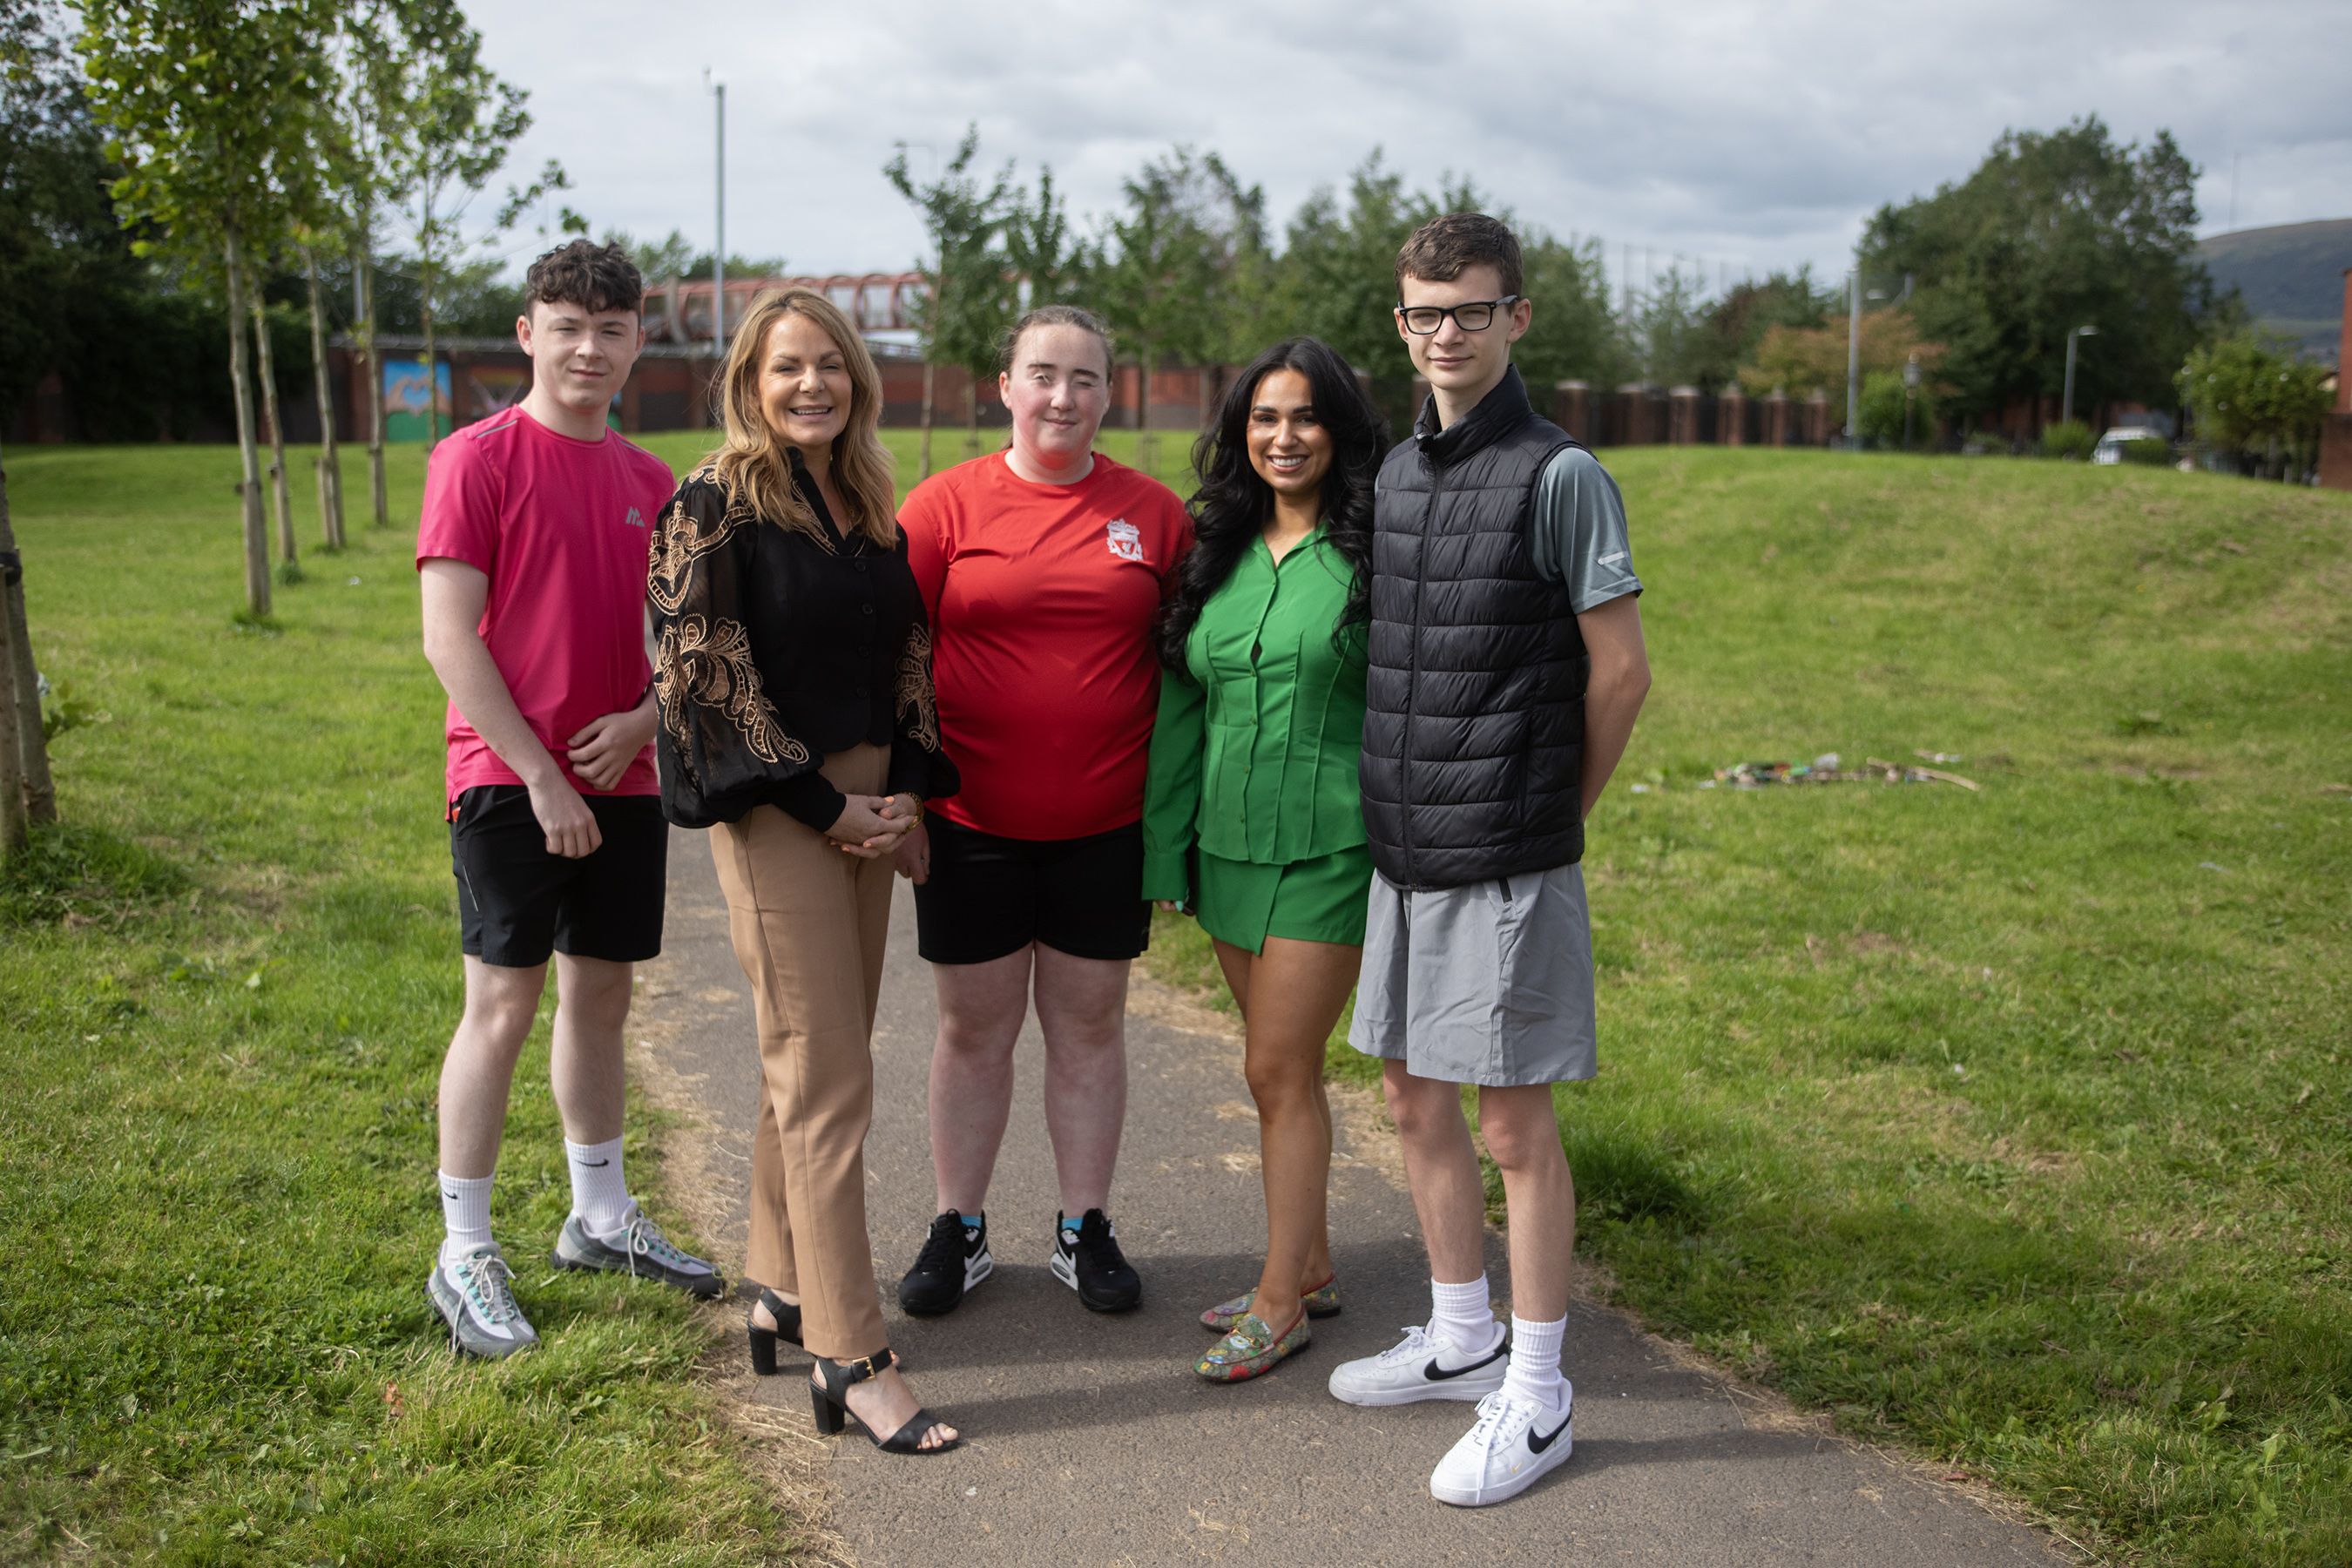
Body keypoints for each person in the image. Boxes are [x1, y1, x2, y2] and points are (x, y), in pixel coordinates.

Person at [1325, 213, 1651, 1507]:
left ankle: (1541, 1393)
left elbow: (1621, 674)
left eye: (1469, 310)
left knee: (1514, 1125)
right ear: (1400, 326)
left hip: (1506, 852)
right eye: (1422, 313)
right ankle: (1464, 1340)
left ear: (1517, 317)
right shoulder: (1399, 472)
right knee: (1413, 1101)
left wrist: (1546, 812)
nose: (1445, 334)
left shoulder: (1561, 472)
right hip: (1405, 848)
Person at [647, 287, 963, 1455]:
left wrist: (908, 800)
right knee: (827, 1077)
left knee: (817, 1059)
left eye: (831, 365)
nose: (811, 385)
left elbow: (908, 652)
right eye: (788, 367)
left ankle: (780, 1283)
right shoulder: (711, 507)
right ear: (749, 379)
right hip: (784, 810)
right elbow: (705, 685)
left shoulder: (863, 498)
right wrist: (830, 807)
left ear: (859, 381)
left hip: (873, 810)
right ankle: (851, 1351)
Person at [417, 240, 720, 1361]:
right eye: (568, 325)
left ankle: (598, 1216)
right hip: (509, 778)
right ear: (528, 333)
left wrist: (646, 720)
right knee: (501, 1003)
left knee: (603, 999)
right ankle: (465, 1250)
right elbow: (449, 637)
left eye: (611, 328)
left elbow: (682, 645)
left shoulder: (653, 483)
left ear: (638, 341)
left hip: (625, 778)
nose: (588, 348)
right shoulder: (475, 458)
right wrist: (540, 775)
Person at [892, 306, 1192, 1318]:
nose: (1063, 397)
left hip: (1105, 827)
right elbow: (897, 662)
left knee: (1089, 1027)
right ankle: (958, 1226)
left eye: (1086, 379)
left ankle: (1084, 1226)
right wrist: (907, 798)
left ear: (1111, 394)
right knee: (973, 1032)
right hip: (969, 823)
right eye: (1043, 375)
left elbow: (1188, 658)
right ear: (1006, 385)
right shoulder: (942, 509)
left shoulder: (1155, 515)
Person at [1139, 338, 1386, 1382]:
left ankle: (1281, 1303)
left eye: (1307, 419)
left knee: (1276, 1068)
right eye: (1264, 420)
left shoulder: (1379, 549)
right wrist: (1166, 851)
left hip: (1334, 842)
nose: (1285, 438)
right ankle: (1313, 1261)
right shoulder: (1217, 548)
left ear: (1340, 431)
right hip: (1226, 844)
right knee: (1278, 1073)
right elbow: (1181, 705)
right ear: (1241, 434)